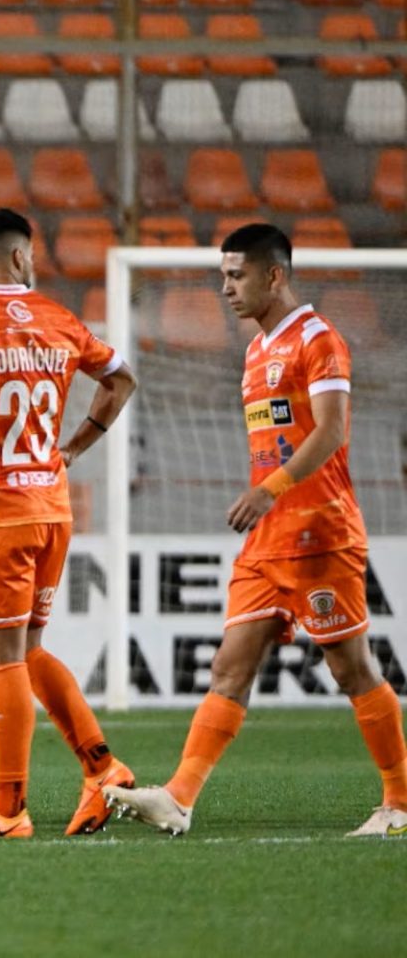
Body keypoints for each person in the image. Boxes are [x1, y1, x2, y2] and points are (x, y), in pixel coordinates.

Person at [107, 223, 407, 837]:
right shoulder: (254, 351)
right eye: (222, 276)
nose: (225, 288)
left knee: (351, 669)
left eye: (236, 275)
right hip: (268, 542)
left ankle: (399, 803)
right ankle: (180, 798)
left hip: (321, 535)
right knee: (229, 666)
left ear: (274, 275)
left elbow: (329, 431)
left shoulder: (318, 340)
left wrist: (268, 489)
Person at [0, 209, 139, 839]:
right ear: (22, 257)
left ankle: (8, 811)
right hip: (51, 507)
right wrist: (77, 444)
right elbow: (121, 380)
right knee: (29, 650)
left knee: (1, 660)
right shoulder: (61, 320)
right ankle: (102, 769)